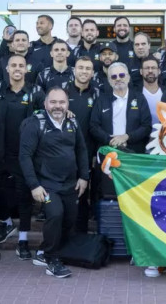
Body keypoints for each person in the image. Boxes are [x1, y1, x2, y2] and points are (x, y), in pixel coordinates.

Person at [19, 88, 89, 279]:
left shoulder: (72, 122)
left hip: (71, 183)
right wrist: (34, 185)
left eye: (62, 102)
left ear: (67, 104)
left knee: (70, 219)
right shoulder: (35, 124)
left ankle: (44, 251)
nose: (58, 106)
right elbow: (24, 156)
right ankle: (51, 259)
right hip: (47, 184)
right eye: (53, 102)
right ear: (45, 104)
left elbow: (82, 150)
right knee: (55, 214)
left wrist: (84, 177)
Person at [0, 55, 44, 256]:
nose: (17, 68)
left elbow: (49, 109)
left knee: (24, 197)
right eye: (13, 65)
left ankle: (23, 240)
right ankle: (5, 222)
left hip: (25, 155)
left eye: (21, 65)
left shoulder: (35, 91)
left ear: (26, 69)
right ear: (7, 68)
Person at [63, 56, 103, 233]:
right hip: (64, 152)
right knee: (67, 193)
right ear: (74, 70)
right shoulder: (62, 92)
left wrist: (96, 153)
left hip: (88, 152)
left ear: (93, 73)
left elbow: (99, 125)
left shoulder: (98, 93)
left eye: (88, 68)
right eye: (81, 68)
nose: (84, 71)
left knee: (84, 193)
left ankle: (82, 235)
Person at [90, 62, 153, 154]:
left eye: (122, 75)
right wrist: (111, 140)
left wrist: (127, 137)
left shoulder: (140, 98)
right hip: (108, 151)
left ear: (128, 77)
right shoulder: (101, 100)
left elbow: (146, 126)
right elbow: (94, 126)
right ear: (109, 80)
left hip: (134, 153)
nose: (118, 78)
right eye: (114, 76)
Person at [140, 55, 163, 128]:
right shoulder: (134, 94)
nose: (150, 71)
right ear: (141, 71)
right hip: (141, 138)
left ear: (159, 71)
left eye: (153, 68)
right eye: (147, 68)